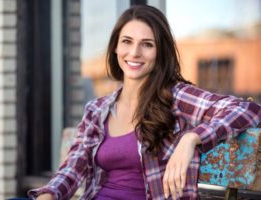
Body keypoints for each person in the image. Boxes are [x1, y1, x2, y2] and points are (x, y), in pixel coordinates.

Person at [28, 5, 261, 200]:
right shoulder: (97, 110)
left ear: (160, 52)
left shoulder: (177, 97)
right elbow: (72, 168)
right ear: (116, 48)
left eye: (147, 44)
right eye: (127, 41)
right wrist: (49, 194)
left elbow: (248, 109)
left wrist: (192, 138)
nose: (135, 52)